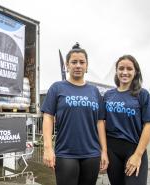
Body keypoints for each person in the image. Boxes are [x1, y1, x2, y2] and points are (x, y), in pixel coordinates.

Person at [41, 43, 109, 185]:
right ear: (67, 65)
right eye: (74, 62)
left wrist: (104, 151)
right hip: (66, 153)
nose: (78, 65)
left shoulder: (94, 91)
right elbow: (48, 117)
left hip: (92, 154)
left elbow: (100, 122)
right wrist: (47, 148)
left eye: (82, 62)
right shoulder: (57, 88)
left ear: (86, 66)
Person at [103, 55, 150, 185]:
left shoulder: (142, 95)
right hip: (112, 150)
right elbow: (102, 123)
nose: (125, 72)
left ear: (135, 72)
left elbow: (149, 126)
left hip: (134, 148)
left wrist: (138, 155)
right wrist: (102, 151)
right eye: (121, 68)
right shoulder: (108, 95)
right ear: (116, 71)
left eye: (129, 69)